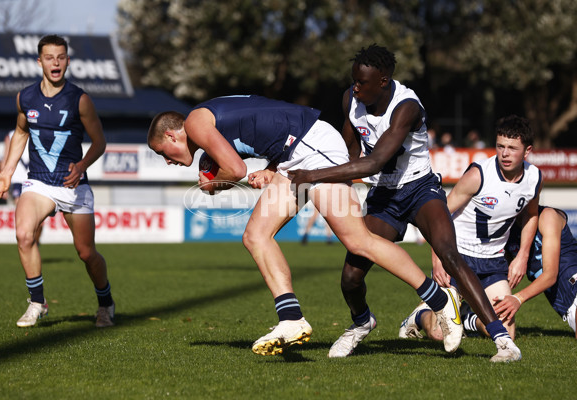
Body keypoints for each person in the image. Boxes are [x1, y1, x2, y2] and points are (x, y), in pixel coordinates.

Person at [147, 94, 462, 357]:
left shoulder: (194, 124)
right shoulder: (203, 120)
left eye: (164, 152)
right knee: (256, 236)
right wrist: (270, 169)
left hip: (313, 148)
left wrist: (214, 185)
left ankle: (439, 300)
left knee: (358, 241)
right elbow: (263, 121)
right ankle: (291, 318)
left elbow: (236, 168)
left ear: (172, 135)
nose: (168, 161)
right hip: (294, 155)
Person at [288, 44, 524, 362]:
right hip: (384, 197)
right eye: (353, 80)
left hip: (419, 190)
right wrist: (335, 186)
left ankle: (503, 343)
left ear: (384, 80)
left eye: (363, 82)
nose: (355, 88)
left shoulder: (406, 106)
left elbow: (374, 162)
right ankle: (361, 324)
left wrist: (313, 175)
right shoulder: (350, 99)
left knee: (450, 255)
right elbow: (351, 151)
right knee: (350, 277)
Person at [0, 34, 115, 328]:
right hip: (39, 183)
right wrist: (7, 171)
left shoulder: (80, 99)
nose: (55, 62)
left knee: (86, 253)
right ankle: (37, 302)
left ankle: (106, 303)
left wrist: (82, 165)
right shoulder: (25, 97)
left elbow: (99, 142)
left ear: (67, 61)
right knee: (24, 235)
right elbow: (20, 133)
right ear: (39, 61)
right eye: (49, 57)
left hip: (73, 186)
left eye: (60, 57)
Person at [398, 115, 541, 346]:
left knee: (507, 331)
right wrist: (438, 258)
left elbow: (531, 214)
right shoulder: (478, 175)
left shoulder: (534, 178)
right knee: (437, 333)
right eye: (500, 146)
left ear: (527, 151)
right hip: (458, 257)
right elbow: (440, 214)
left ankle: (466, 316)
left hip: (493, 262)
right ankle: (419, 316)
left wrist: (523, 256)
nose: (504, 153)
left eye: (512, 148)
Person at [461, 206, 577, 339]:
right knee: (503, 331)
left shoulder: (547, 216)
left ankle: (465, 318)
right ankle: (465, 317)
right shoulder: (507, 228)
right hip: (567, 308)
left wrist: (518, 298)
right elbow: (502, 273)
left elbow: (550, 275)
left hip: (574, 284)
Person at [2, 130, 44, 244]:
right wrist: (3, 182)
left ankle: (36, 241)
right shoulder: (11, 135)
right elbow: (5, 158)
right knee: (24, 216)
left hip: (36, 179)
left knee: (39, 221)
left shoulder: (40, 132)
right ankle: (27, 242)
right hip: (18, 181)